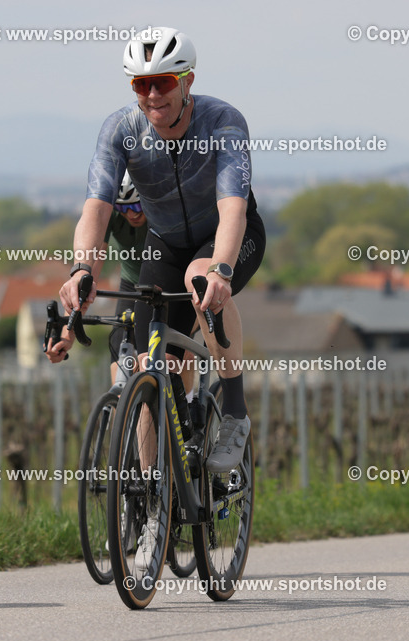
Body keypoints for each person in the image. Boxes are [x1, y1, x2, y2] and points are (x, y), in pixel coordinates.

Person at [59, 28, 265, 478]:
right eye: (141, 84)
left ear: (187, 81)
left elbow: (232, 208)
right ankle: (153, 494)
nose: (152, 95)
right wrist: (81, 269)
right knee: (149, 365)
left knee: (200, 279)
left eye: (164, 82)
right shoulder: (121, 130)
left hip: (228, 235)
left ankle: (235, 412)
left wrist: (221, 270)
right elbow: (96, 208)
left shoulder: (222, 121)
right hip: (166, 244)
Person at [46, 172, 147, 384]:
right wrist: (67, 334)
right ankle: (120, 402)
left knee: (171, 356)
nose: (131, 213)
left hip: (171, 281)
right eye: (123, 208)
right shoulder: (111, 214)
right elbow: (90, 272)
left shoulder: (161, 209)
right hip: (133, 283)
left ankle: (187, 401)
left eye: (137, 206)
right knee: (120, 357)